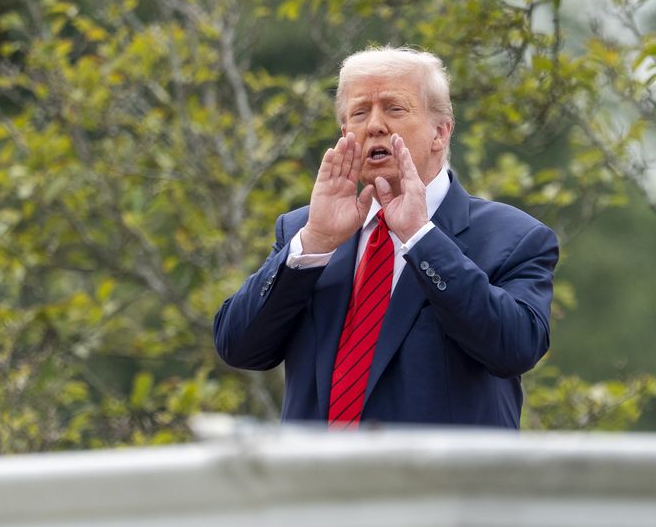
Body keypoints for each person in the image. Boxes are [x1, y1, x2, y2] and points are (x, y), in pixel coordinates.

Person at [212, 46, 558, 429]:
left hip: (440, 486)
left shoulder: (514, 237)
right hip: (317, 484)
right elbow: (239, 348)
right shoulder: (305, 232)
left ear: (440, 132)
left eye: (394, 109)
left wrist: (422, 238)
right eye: (359, 113)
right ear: (345, 134)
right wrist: (314, 243)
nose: (375, 125)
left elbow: (515, 348)